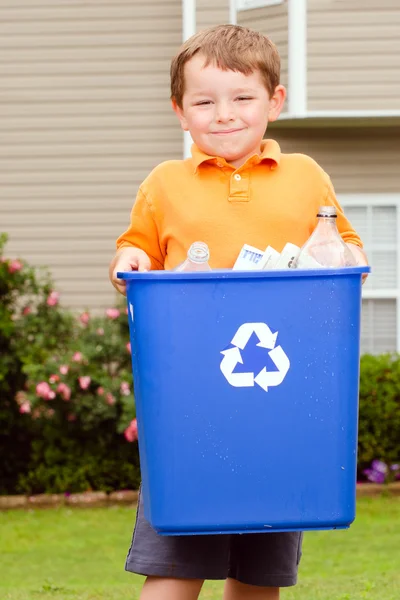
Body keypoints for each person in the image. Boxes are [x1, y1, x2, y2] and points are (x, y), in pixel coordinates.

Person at [109, 24, 368, 600]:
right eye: (204, 101)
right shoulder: (165, 184)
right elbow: (135, 254)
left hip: (281, 411)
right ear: (181, 111)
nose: (223, 114)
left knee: (258, 573)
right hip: (191, 406)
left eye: (242, 98)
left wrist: (346, 255)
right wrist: (129, 257)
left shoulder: (306, 177)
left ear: (274, 101)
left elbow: (347, 253)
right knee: (175, 564)